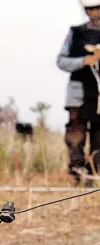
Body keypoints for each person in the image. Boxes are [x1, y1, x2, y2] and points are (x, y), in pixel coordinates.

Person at [57, 0, 100, 185]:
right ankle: (77, 173)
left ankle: (95, 175)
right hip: (78, 94)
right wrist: (84, 61)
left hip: (98, 96)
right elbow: (61, 61)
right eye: (90, 9)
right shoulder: (76, 33)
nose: (94, 13)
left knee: (99, 136)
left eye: (97, 8)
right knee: (76, 133)